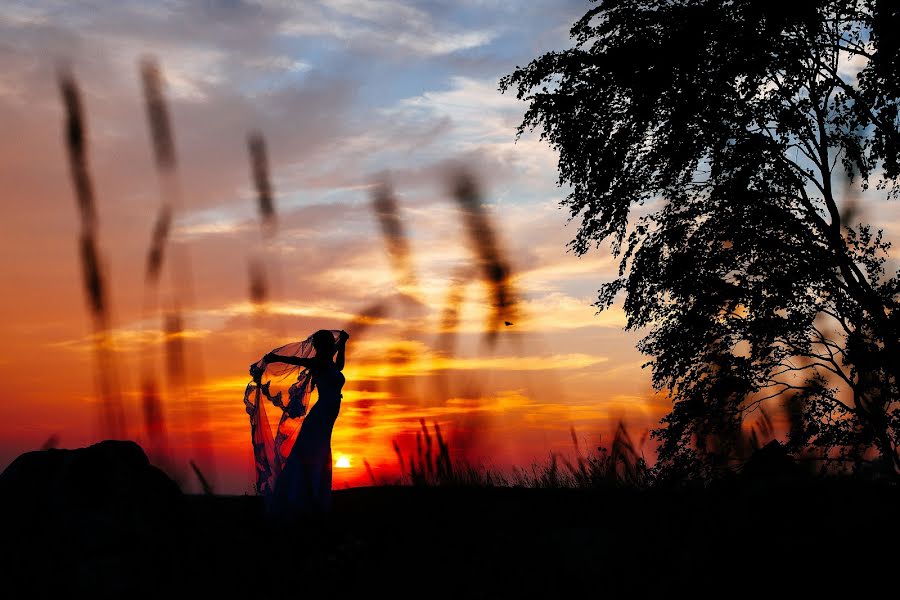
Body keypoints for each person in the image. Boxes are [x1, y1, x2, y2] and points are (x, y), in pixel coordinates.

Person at [260, 329, 349, 517]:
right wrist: (274, 357)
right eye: (328, 343)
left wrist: (343, 345)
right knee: (313, 452)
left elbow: (339, 367)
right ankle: (302, 497)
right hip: (321, 413)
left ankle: (313, 496)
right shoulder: (318, 363)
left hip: (328, 414)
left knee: (320, 451)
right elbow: (297, 361)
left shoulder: (329, 362)